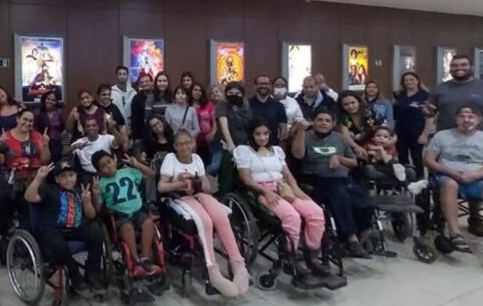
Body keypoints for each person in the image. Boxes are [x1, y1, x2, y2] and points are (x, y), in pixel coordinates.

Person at [234, 122, 331, 283]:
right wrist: (265, 191)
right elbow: (246, 179)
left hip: (284, 186)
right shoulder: (244, 151)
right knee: (292, 217)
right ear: (251, 134)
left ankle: (311, 255)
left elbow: (287, 173)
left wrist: (295, 188)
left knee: (316, 213)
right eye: (258, 134)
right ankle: (289, 257)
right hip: (262, 190)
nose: (262, 137)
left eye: (265, 133)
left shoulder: (277, 150)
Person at [423, 54, 483, 237]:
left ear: (471, 67)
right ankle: (440, 216)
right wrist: (427, 113)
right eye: (454, 65)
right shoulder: (441, 88)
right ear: (450, 68)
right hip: (446, 142)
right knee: (445, 179)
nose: (458, 68)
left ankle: (475, 217)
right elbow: (430, 112)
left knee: (474, 174)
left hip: (477, 143)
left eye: (462, 65)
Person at [158, 129, 250, 297]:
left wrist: (197, 181)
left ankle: (238, 263)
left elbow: (207, 187)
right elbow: (161, 187)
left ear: (193, 144)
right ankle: (212, 269)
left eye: (187, 143)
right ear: (175, 146)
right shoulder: (170, 159)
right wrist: (180, 184)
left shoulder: (197, 159)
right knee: (205, 221)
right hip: (179, 197)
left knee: (221, 216)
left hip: (199, 194)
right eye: (180, 144)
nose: (184, 147)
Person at [423, 106, 483, 262]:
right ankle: (455, 233)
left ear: (478, 120)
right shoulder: (442, 136)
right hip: (447, 178)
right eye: (462, 116)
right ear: (456, 119)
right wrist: (451, 172)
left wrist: (475, 174)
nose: (466, 119)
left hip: (476, 180)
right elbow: (429, 160)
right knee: (450, 185)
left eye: (470, 116)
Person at [291, 110, 374, 258]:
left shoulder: (339, 138)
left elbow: (354, 162)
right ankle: (351, 239)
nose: (323, 123)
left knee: (364, 201)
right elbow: (298, 154)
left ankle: (358, 234)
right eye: (320, 120)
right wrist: (301, 132)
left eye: (327, 120)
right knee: (339, 196)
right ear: (313, 122)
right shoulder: (306, 136)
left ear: (333, 124)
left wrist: (339, 158)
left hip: (341, 178)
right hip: (316, 180)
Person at [24, 161, 105, 297]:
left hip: (74, 228)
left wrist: (87, 202)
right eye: (63, 176)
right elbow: (29, 197)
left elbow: (91, 216)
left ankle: (92, 272)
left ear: (76, 176)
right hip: (52, 228)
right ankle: (74, 274)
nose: (68, 179)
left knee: (97, 233)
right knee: (58, 245)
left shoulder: (80, 191)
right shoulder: (50, 190)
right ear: (56, 179)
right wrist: (39, 178)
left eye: (71, 175)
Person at [93, 150, 162, 288]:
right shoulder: (101, 183)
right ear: (100, 172)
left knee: (148, 224)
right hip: (120, 214)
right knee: (127, 228)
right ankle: (135, 260)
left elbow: (151, 174)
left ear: (114, 159)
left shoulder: (128, 171)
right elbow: (98, 208)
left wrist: (136, 164)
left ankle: (145, 258)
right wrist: (95, 195)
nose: (109, 166)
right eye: (103, 166)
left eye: (109, 161)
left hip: (137, 210)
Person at [0, 109, 50, 239]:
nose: (27, 123)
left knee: (40, 196)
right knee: (4, 195)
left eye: (30, 121)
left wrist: (45, 146)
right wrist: (0, 146)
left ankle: (34, 230)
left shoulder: (38, 136)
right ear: (17, 119)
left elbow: (45, 160)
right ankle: (3, 230)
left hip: (33, 174)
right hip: (11, 173)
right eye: (25, 119)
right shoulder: (5, 136)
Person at [394, 71, 430, 178]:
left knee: (416, 158)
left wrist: (425, 135)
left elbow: (430, 117)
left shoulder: (425, 96)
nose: (409, 82)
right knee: (402, 158)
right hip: (400, 131)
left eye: (411, 80)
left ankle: (420, 184)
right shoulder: (399, 95)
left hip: (417, 132)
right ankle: (404, 182)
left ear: (417, 81)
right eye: (406, 80)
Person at [337, 91, 384, 159]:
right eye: (346, 104)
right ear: (342, 106)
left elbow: (385, 129)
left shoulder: (370, 113)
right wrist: (356, 147)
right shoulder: (342, 117)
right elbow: (345, 136)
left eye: (353, 103)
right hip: (352, 147)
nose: (350, 106)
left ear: (358, 102)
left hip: (373, 144)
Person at [248, 74, 288, 141]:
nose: (263, 86)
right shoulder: (246, 104)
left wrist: (279, 148)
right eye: (260, 84)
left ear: (271, 86)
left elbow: (283, 129)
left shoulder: (279, 106)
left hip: (272, 146)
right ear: (254, 86)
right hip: (250, 146)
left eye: (266, 84)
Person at [216, 82, 253, 150]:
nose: (234, 95)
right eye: (230, 93)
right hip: (227, 145)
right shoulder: (222, 105)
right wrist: (230, 144)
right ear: (226, 93)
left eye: (237, 93)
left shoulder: (247, 107)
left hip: (246, 145)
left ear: (242, 94)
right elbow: (224, 127)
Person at [34, 90, 65, 162]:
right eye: (48, 99)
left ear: (56, 102)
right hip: (43, 144)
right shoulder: (37, 112)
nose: (50, 101)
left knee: (56, 166)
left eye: (53, 100)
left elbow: (62, 127)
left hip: (57, 143)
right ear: (44, 99)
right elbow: (35, 129)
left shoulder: (59, 112)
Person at [130, 74, 155, 141]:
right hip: (142, 134)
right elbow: (134, 119)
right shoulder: (136, 98)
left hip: (157, 132)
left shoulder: (157, 96)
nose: (144, 84)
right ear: (139, 85)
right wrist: (136, 137)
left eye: (147, 81)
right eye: (142, 82)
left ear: (152, 82)